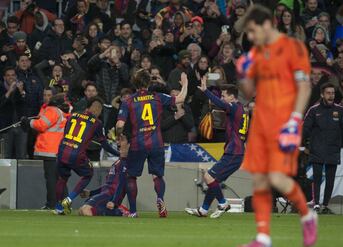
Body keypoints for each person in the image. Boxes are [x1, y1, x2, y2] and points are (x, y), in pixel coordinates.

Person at [235, 5, 317, 247]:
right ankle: (263, 238)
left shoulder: (294, 48)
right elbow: (250, 93)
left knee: (277, 178)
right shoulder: (258, 54)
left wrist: (294, 120)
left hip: (285, 124)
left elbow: (304, 87)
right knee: (259, 179)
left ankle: (307, 214)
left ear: (267, 24)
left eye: (251, 31)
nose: (250, 37)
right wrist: (243, 73)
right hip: (260, 124)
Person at [116, 70, 188, 217]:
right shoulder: (158, 97)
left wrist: (119, 135)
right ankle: (160, 199)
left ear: (134, 83)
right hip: (156, 142)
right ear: (148, 83)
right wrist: (185, 83)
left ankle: (134, 211)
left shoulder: (127, 101)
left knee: (131, 176)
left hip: (138, 143)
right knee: (157, 175)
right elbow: (180, 99)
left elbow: (119, 124)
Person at [185, 81, 248, 218]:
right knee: (214, 181)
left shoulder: (234, 107)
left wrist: (206, 91)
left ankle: (223, 203)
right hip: (236, 151)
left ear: (232, 97)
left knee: (208, 176)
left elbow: (221, 104)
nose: (222, 98)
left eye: (224, 95)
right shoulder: (241, 109)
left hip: (234, 152)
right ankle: (204, 209)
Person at [54, 96, 120, 215]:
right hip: (76, 154)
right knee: (88, 174)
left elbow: (66, 133)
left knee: (62, 179)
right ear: (96, 108)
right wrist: (118, 154)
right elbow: (104, 144)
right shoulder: (96, 122)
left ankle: (59, 207)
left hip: (62, 151)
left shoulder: (73, 115)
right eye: (100, 110)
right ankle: (68, 200)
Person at [303, 83, 343, 214]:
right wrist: (297, 140)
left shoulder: (340, 110)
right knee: (316, 178)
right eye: (328, 93)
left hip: (333, 149)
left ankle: (325, 205)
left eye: (333, 93)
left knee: (330, 179)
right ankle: (316, 204)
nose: (331, 96)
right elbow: (305, 128)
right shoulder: (314, 110)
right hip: (317, 149)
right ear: (322, 94)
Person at [21, 92, 68, 209]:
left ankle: (51, 204)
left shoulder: (52, 110)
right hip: (57, 150)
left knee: (51, 179)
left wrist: (28, 122)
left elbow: (41, 125)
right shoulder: (61, 113)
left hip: (49, 150)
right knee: (59, 179)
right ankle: (65, 203)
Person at [79, 135, 130, 217]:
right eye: (118, 140)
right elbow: (108, 185)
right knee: (81, 210)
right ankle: (117, 211)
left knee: (86, 210)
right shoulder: (118, 162)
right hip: (106, 193)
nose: (118, 143)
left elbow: (122, 185)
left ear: (129, 145)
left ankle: (120, 211)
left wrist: (114, 201)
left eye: (121, 140)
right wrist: (91, 193)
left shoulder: (126, 163)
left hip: (111, 195)